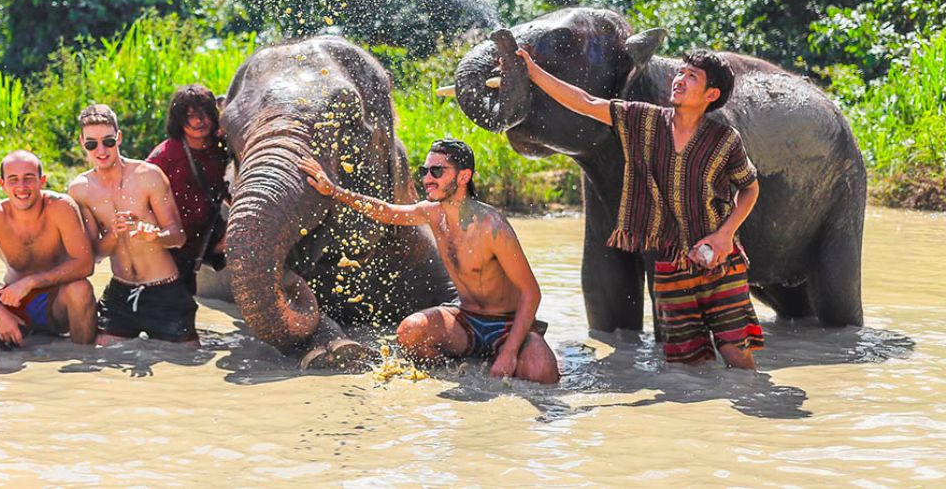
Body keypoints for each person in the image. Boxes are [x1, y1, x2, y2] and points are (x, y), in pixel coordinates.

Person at [514, 46, 763, 369]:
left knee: (736, 355)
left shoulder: (725, 139)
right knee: (686, 365)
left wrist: (725, 235)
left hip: (720, 261)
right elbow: (586, 104)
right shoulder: (645, 120)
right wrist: (533, 72)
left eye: (692, 77)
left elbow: (750, 188)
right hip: (670, 263)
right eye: (680, 73)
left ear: (710, 94)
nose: (679, 80)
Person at [299, 138, 560, 384]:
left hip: (507, 324)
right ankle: (459, 370)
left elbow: (531, 292)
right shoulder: (433, 213)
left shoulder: (493, 226)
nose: (426, 179)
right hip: (466, 319)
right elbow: (387, 212)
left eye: (437, 171)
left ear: (463, 176)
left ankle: (504, 353)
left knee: (542, 373)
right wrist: (334, 191)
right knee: (410, 333)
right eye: (425, 171)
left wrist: (510, 352)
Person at [66, 104, 198, 346]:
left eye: (108, 141)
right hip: (121, 292)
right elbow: (94, 254)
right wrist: (115, 234)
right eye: (92, 144)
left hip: (165, 290)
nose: (101, 150)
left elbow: (178, 236)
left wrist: (155, 236)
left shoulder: (148, 175)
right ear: (81, 143)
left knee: (188, 361)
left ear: (119, 138)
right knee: (101, 357)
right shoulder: (80, 189)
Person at [0, 150, 97, 347]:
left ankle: (83, 360)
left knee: (81, 290)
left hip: (55, 304)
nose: (21, 187)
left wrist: (31, 282)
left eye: (29, 178)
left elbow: (84, 265)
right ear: (2, 184)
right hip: (11, 302)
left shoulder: (60, 207)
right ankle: (12, 337)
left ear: (42, 181)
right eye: (13, 179)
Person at [147, 84, 231, 295]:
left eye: (204, 113)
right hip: (170, 244)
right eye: (190, 115)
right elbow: (140, 191)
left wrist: (233, 233)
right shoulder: (166, 154)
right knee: (169, 304)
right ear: (179, 120)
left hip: (205, 241)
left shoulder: (223, 150)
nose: (198, 121)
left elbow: (235, 191)